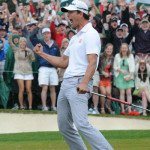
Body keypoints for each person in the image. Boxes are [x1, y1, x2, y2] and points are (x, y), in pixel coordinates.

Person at [34, 1, 113, 150]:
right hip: (66, 84)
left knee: (81, 124)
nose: (68, 16)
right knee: (64, 126)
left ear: (81, 13)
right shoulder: (75, 38)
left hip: (79, 83)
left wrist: (84, 82)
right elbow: (63, 62)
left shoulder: (91, 34)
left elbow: (92, 62)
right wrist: (41, 54)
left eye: (71, 12)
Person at [31, 27, 60, 111]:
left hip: (53, 68)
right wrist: (38, 27)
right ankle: (44, 106)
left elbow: (58, 57)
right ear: (42, 35)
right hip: (43, 68)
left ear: (50, 34)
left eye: (48, 33)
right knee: (44, 87)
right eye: (44, 34)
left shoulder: (55, 45)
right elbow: (31, 37)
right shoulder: (39, 43)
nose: (46, 35)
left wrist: (57, 66)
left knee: (53, 88)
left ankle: (53, 106)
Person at [9, 35, 35, 110]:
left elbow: (33, 59)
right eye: (21, 42)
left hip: (28, 71)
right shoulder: (16, 49)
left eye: (24, 42)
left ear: (25, 43)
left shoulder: (28, 50)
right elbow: (10, 43)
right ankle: (21, 106)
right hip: (19, 71)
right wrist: (11, 35)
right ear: (19, 43)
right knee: (22, 89)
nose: (22, 43)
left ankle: (30, 107)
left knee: (28, 89)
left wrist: (30, 52)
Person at [113, 43, 135, 115]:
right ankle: (122, 110)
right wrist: (120, 70)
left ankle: (129, 110)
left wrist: (129, 76)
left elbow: (133, 67)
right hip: (120, 76)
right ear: (121, 49)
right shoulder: (117, 56)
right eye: (123, 48)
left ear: (128, 49)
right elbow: (115, 67)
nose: (124, 49)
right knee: (122, 93)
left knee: (128, 93)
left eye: (125, 48)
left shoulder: (131, 56)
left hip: (129, 75)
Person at [98, 43, 114, 114]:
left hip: (108, 78)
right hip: (101, 77)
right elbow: (98, 67)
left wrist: (110, 73)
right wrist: (103, 72)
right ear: (105, 49)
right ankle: (102, 108)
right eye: (108, 49)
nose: (109, 50)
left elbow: (112, 69)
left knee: (109, 93)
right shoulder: (101, 56)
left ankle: (109, 108)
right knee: (103, 93)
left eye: (110, 49)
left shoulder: (112, 58)